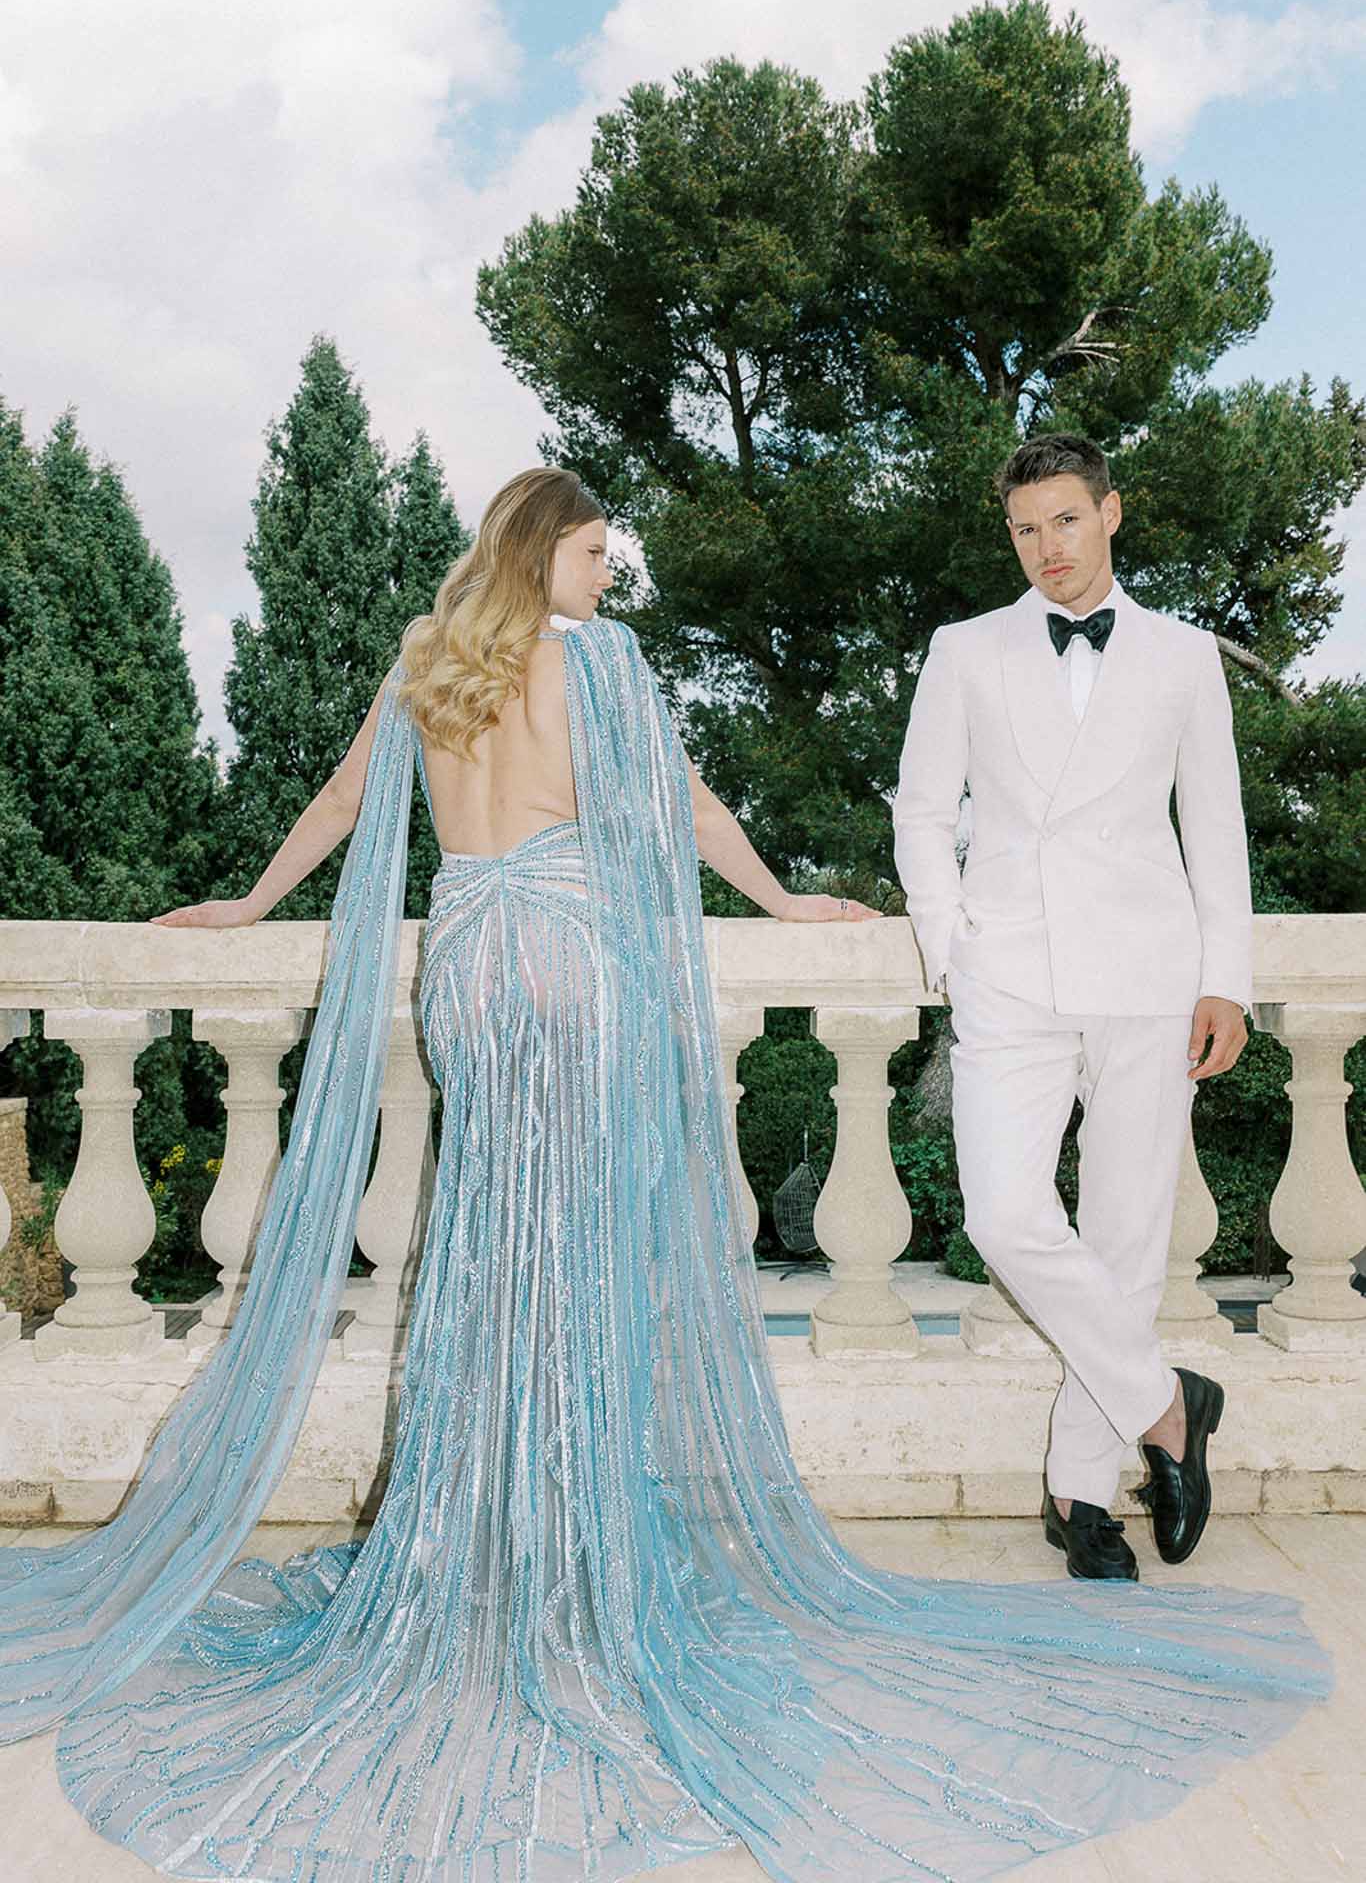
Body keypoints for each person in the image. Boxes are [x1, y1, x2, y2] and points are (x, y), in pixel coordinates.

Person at [1, 466, 1329, 1882]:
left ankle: (480, 1550)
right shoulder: (603, 666)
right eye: (593, 551)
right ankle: (570, 1557)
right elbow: (686, 812)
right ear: (545, 550)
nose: (607, 574)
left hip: (471, 971)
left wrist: (249, 903)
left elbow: (339, 805)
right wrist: (779, 898)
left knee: (490, 1253)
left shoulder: (431, 663)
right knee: (578, 1260)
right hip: (572, 971)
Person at [893, 431, 1252, 1583]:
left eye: (1064, 520)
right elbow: (919, 809)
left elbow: (1216, 828)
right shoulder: (964, 648)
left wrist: (1225, 977)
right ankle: (1166, 1406)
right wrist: (951, 945)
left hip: (1150, 975)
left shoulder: (1185, 656)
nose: (1046, 547)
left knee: (1125, 1234)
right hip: (1011, 975)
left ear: (1111, 513)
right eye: (1024, 528)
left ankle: (1080, 1490)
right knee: (1003, 1213)